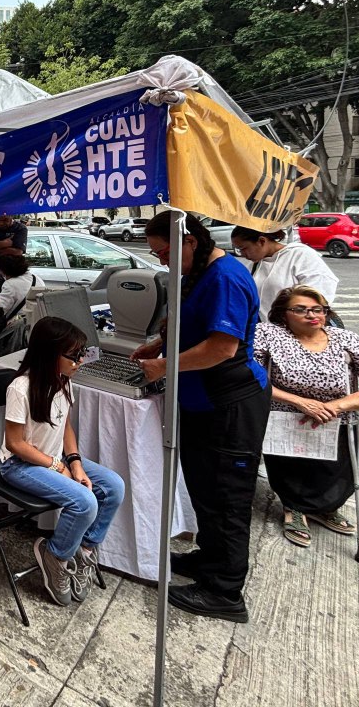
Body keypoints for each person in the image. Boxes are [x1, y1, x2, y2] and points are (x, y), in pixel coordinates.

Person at [133, 212, 269, 624]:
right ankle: (210, 560)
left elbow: (221, 348)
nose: (161, 261)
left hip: (228, 403)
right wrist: (158, 344)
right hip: (200, 403)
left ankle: (225, 591)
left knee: (227, 497)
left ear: (189, 241)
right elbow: (189, 322)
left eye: (164, 253)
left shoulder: (225, 277)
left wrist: (164, 366)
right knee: (205, 491)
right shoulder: (196, 272)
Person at [254, 285, 359, 547]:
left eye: (318, 309)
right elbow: (252, 377)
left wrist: (335, 407)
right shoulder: (268, 334)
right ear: (283, 314)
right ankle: (294, 508)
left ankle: (325, 507)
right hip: (289, 413)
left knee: (337, 471)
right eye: (300, 309)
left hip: (340, 416)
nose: (312, 315)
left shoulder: (346, 340)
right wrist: (301, 402)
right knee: (291, 468)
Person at [0, 316, 125, 607]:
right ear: (49, 354)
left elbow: (65, 426)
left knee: (114, 486)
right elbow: (15, 444)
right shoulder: (20, 387)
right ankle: (55, 555)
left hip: (54, 457)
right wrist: (57, 466)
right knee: (85, 502)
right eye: (73, 355)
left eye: (82, 354)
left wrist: (75, 464)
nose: (80, 361)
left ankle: (84, 549)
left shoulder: (64, 381)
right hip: (19, 465)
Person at [231, 226, 339, 321]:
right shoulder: (255, 265)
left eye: (244, 248)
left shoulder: (300, 255)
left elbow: (321, 291)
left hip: (299, 327)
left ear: (262, 241)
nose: (242, 254)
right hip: (270, 330)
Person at [0, 251, 44, 321]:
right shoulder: (36, 278)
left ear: (5, 270)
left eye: (0, 273)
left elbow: (0, 309)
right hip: (37, 319)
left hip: (18, 323)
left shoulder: (10, 284)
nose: (0, 276)